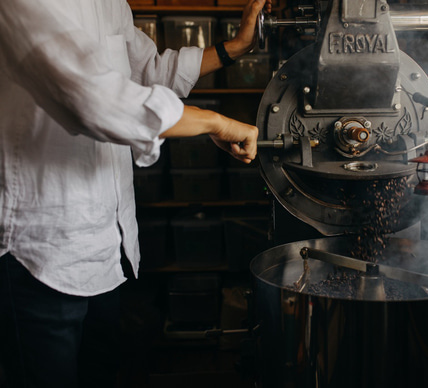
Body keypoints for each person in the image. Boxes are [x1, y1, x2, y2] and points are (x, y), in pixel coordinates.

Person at [0, 0, 271, 386]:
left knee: (101, 374)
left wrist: (238, 46)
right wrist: (214, 122)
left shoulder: (111, 3)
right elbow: (93, 99)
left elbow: (151, 73)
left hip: (106, 249)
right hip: (40, 254)